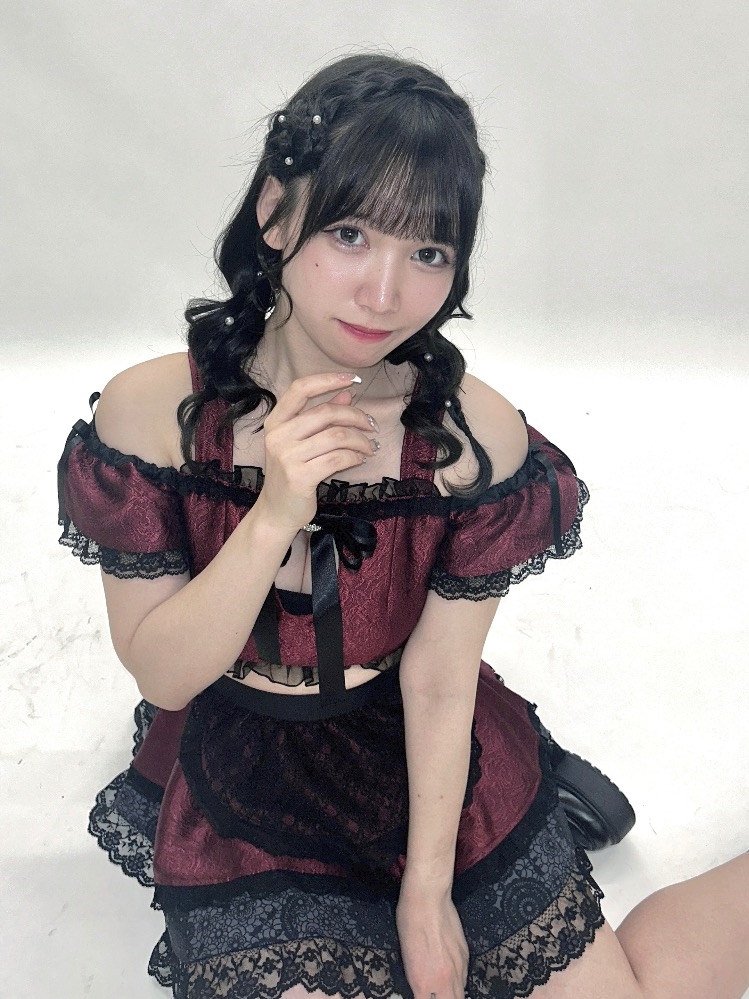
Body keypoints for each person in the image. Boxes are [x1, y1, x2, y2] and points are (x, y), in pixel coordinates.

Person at [57, 53, 748, 999]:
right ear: (274, 214)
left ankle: (542, 793)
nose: (385, 295)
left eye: (427, 253)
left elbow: (437, 676)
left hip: (418, 737)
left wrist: (428, 891)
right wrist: (274, 515)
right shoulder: (153, 416)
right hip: (251, 768)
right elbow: (165, 673)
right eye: (350, 234)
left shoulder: (470, 439)